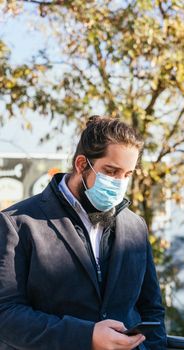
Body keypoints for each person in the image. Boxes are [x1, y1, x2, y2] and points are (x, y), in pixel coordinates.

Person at [0, 116, 167, 350]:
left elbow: (152, 310)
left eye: (127, 174)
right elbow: (6, 315)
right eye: (111, 171)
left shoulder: (135, 227)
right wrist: (86, 336)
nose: (120, 183)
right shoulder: (17, 223)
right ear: (81, 164)